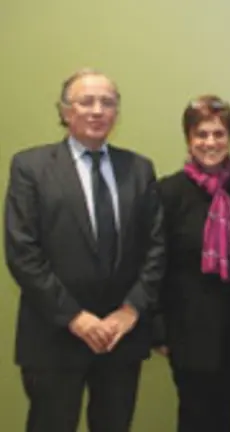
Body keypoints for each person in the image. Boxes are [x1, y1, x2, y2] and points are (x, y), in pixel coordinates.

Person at [3, 68, 165, 432]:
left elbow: (156, 249)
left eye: (107, 102)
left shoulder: (139, 169)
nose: (96, 110)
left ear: (116, 113)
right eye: (86, 101)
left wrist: (130, 310)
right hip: (55, 335)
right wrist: (76, 318)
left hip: (120, 337)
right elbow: (22, 252)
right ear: (64, 111)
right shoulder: (30, 167)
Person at [153, 95, 230, 432]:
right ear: (188, 139)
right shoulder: (167, 192)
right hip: (187, 329)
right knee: (195, 416)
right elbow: (154, 263)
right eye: (201, 134)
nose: (210, 143)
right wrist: (158, 328)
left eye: (218, 134)